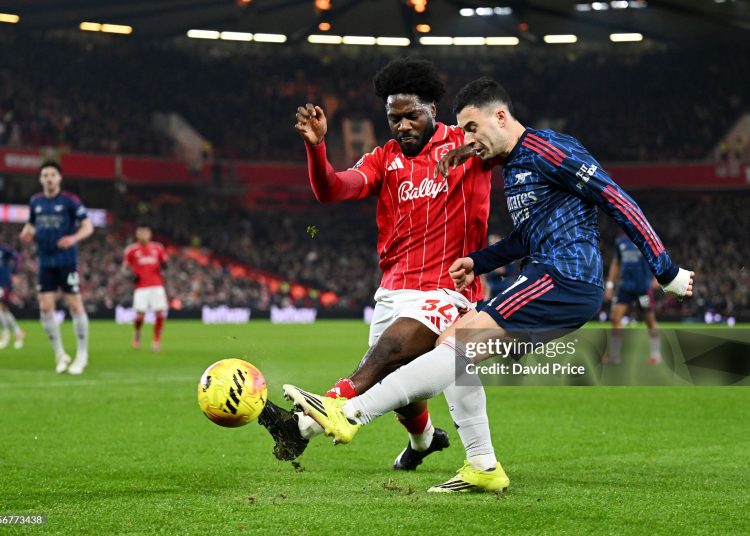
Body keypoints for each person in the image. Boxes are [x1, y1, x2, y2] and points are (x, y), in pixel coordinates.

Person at [283, 78, 695, 493]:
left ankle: (351, 414)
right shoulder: (514, 167)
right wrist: (479, 261)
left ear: (500, 116)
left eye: (472, 128)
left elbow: (616, 198)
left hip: (564, 274)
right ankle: (481, 464)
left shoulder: (548, 149)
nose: (466, 139)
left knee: (457, 341)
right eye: (462, 131)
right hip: (548, 275)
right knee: (457, 350)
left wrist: (666, 270)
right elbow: (525, 237)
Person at [258, 58, 498, 474]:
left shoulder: (466, 146)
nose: (402, 126)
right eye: (394, 118)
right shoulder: (383, 158)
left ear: (431, 110)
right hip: (393, 289)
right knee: (399, 386)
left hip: (448, 288)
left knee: (385, 355)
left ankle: (304, 423)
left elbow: (505, 142)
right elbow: (332, 190)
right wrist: (316, 148)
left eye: (411, 116)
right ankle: (423, 441)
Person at [19, 161, 93, 374]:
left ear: (59, 178)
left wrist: (73, 238)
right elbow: (32, 223)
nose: (49, 178)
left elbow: (88, 226)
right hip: (45, 261)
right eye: (45, 175)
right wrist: (27, 232)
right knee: (45, 308)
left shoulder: (70, 201)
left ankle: (82, 354)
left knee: (75, 305)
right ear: (41, 179)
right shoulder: (36, 202)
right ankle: (60, 354)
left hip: (66, 261)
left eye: (52, 174)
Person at [603, 233, 662, 365]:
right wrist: (610, 285)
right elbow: (616, 263)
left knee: (650, 320)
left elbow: (658, 257)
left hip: (643, 288)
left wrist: (658, 277)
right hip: (625, 287)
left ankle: (656, 355)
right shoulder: (620, 242)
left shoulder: (647, 239)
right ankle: (614, 355)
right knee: (615, 318)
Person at [123, 223, 168, 352]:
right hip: (141, 287)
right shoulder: (131, 250)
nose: (143, 235)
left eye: (145, 233)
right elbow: (125, 268)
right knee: (140, 316)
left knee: (160, 314)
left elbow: (165, 263)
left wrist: (165, 265)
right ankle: (137, 333)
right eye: (140, 233)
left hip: (156, 285)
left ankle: (156, 341)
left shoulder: (158, 248)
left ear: (150, 234)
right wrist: (131, 276)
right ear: (137, 235)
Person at [0, 243, 24, 349]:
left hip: (4, 282)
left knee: (1, 308)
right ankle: (18, 332)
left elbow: (17, 257)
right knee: (4, 310)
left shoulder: (4, 249)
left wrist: (15, 273)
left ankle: (5, 335)